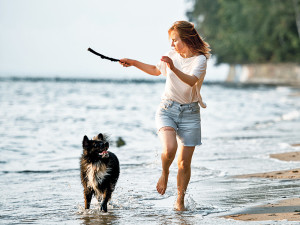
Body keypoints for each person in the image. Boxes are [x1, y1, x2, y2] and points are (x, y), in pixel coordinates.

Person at [119, 21, 211, 211]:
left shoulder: (199, 60)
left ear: (186, 39)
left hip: (190, 114)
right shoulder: (171, 55)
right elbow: (155, 70)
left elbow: (191, 81)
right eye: (171, 41)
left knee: (184, 163)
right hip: (167, 109)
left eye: (175, 40)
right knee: (170, 149)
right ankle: (165, 172)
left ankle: (180, 200)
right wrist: (133, 62)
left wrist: (174, 69)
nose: (172, 45)